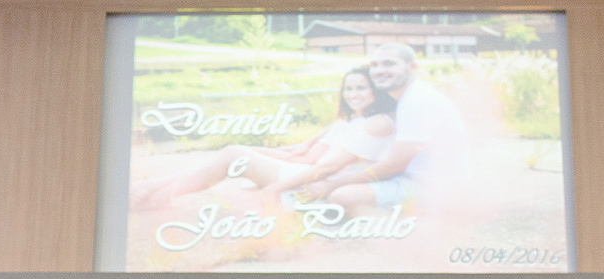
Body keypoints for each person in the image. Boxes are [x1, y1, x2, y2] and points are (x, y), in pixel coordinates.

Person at [133, 67, 395, 209]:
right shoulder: (348, 121)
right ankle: (154, 193)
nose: (353, 94)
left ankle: (153, 189)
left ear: (376, 91)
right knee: (233, 153)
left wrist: (275, 188)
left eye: (361, 88)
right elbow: (305, 153)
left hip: (312, 178)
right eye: (348, 88)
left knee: (234, 155)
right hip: (304, 168)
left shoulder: (376, 123)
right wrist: (251, 150)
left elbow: (326, 167)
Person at [301, 44, 469, 217]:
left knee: (342, 195)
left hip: (431, 187)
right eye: (374, 65)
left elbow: (395, 164)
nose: (379, 71)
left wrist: (332, 185)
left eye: (389, 64)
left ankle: (411, 219)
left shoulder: (417, 101)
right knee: (342, 179)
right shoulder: (409, 96)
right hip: (410, 177)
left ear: (412, 67)